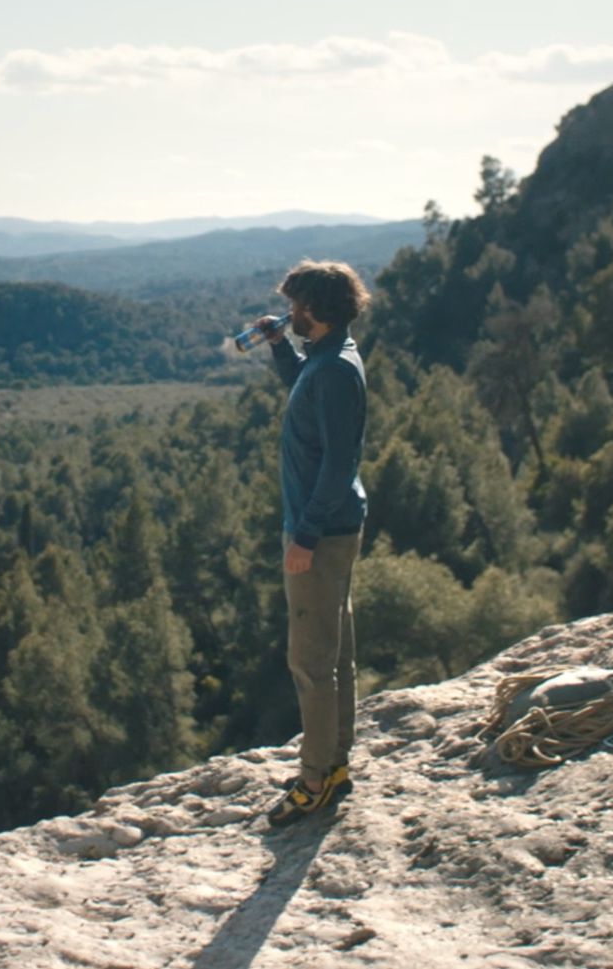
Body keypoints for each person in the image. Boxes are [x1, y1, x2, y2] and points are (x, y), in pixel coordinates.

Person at [251, 259, 371, 828]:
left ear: (317, 311)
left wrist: (305, 534)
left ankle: (315, 780)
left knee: (310, 661)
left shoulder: (336, 372)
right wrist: (280, 348)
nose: (290, 313)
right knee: (335, 653)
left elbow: (340, 461)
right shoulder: (326, 360)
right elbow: (305, 385)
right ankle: (334, 763)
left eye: (296, 307)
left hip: (320, 532)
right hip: (330, 526)